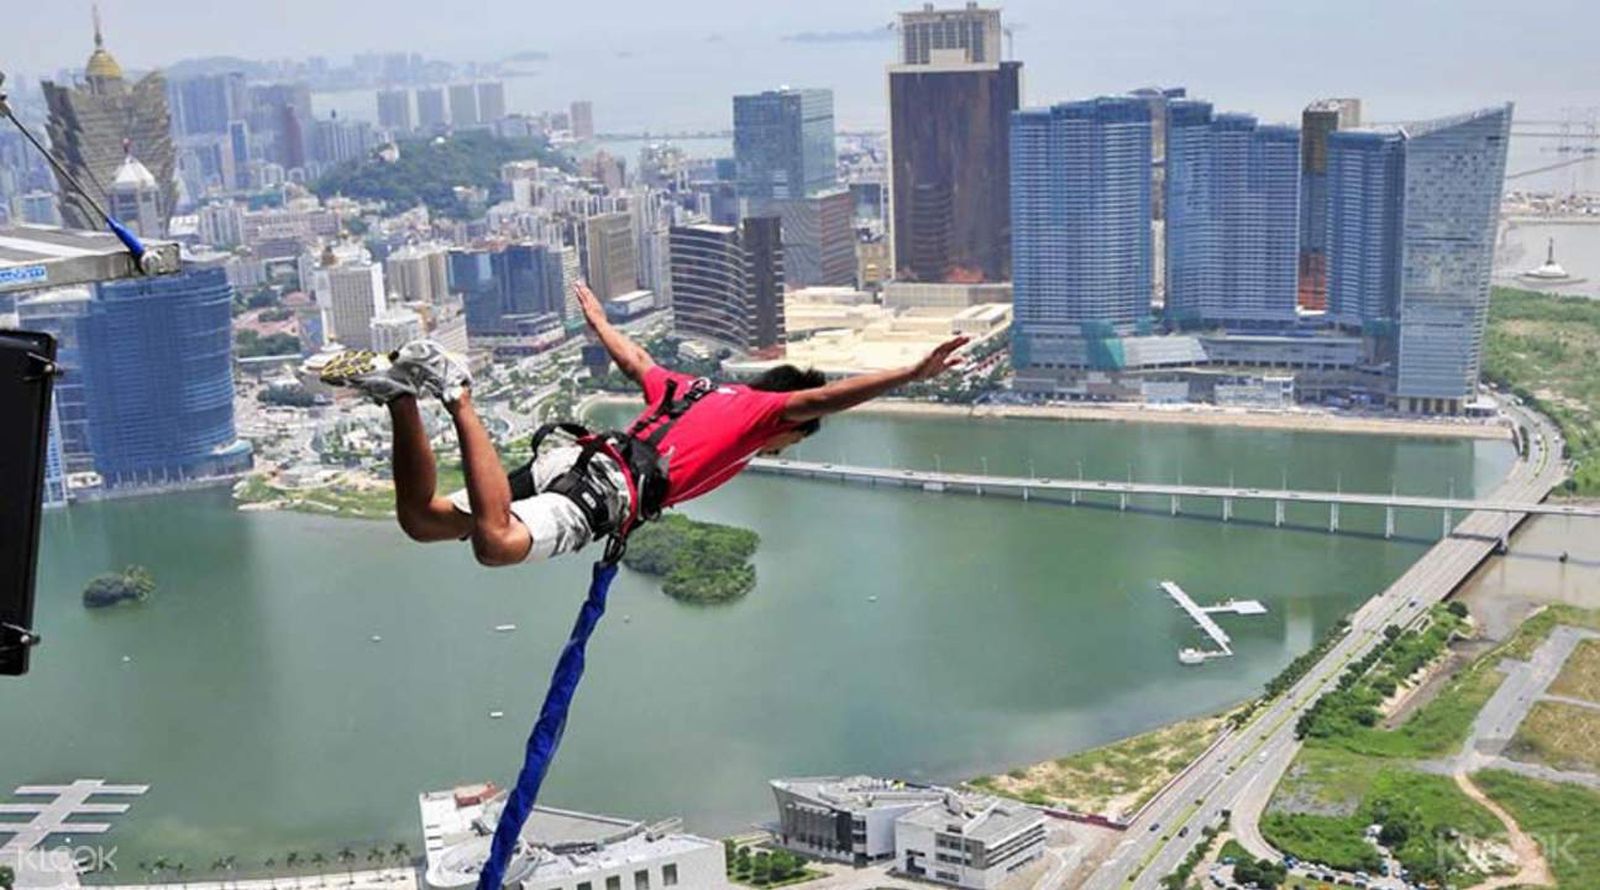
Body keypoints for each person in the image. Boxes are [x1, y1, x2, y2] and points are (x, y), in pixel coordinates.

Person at [319, 282, 968, 567]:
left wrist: (598, 319)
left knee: (424, 521)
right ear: (788, 426)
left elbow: (635, 359)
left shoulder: (691, 387)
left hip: (576, 460)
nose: (780, 448)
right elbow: (830, 397)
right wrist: (912, 374)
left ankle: (400, 396)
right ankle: (458, 394)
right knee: (497, 545)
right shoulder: (758, 413)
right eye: (791, 440)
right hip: (607, 492)